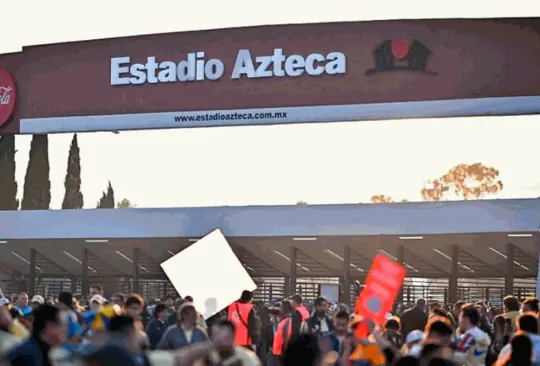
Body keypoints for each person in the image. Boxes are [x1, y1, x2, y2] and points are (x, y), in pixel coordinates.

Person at [195, 320, 262, 366]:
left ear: (233, 336)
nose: (221, 341)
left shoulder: (248, 358)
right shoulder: (207, 357)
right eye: (217, 336)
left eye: (226, 338)